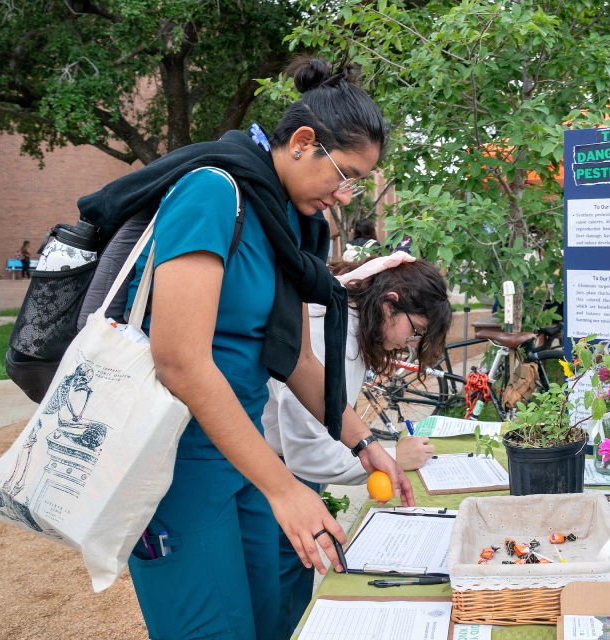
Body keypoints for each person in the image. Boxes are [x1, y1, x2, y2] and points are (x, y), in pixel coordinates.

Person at [98, 56, 415, 639]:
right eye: (344, 176)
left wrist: (363, 441)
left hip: (247, 453)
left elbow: (295, 359)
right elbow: (179, 360)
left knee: (271, 622)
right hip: (176, 459)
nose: (345, 197)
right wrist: (283, 488)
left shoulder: (291, 226)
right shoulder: (211, 193)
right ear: (302, 143)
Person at [262, 254, 451, 637]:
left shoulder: (349, 320)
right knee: (275, 603)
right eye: (413, 331)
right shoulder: (329, 330)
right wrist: (390, 456)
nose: (408, 344)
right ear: (389, 302)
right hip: (272, 475)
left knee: (293, 592)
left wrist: (372, 446)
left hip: (288, 473)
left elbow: (335, 416)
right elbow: (308, 448)